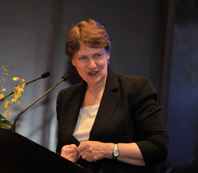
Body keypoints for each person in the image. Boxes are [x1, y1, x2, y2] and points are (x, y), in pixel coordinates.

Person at [56, 19, 168, 173]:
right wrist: (62, 157)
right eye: (83, 58)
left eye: (97, 55)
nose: (92, 65)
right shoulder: (66, 97)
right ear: (73, 61)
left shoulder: (134, 89)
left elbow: (158, 148)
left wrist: (109, 149)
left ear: (107, 54)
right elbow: (59, 149)